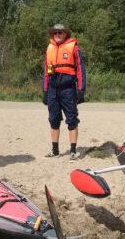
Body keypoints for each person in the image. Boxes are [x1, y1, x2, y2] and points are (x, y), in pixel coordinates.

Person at [42, 24, 86, 161]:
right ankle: (55, 151)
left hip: (68, 89)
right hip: (52, 89)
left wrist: (81, 89)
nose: (57, 34)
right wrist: (44, 91)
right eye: (55, 33)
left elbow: (80, 70)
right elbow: (45, 72)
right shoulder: (49, 49)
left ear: (65, 34)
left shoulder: (75, 48)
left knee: (72, 119)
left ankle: (73, 151)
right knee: (53, 119)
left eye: (60, 32)